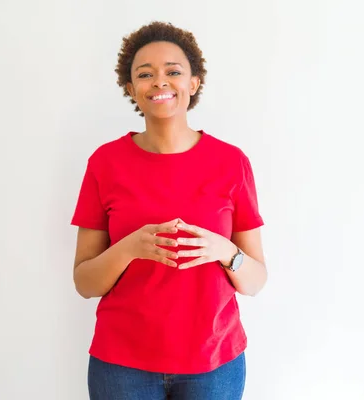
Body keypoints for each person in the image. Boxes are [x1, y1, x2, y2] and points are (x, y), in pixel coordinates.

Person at [70, 21, 267, 400]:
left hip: (215, 364)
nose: (159, 82)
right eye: (145, 74)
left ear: (193, 83)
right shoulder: (105, 163)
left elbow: (256, 280)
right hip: (121, 366)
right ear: (131, 90)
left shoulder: (231, 162)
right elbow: (84, 282)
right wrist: (130, 248)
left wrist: (223, 251)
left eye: (173, 72)